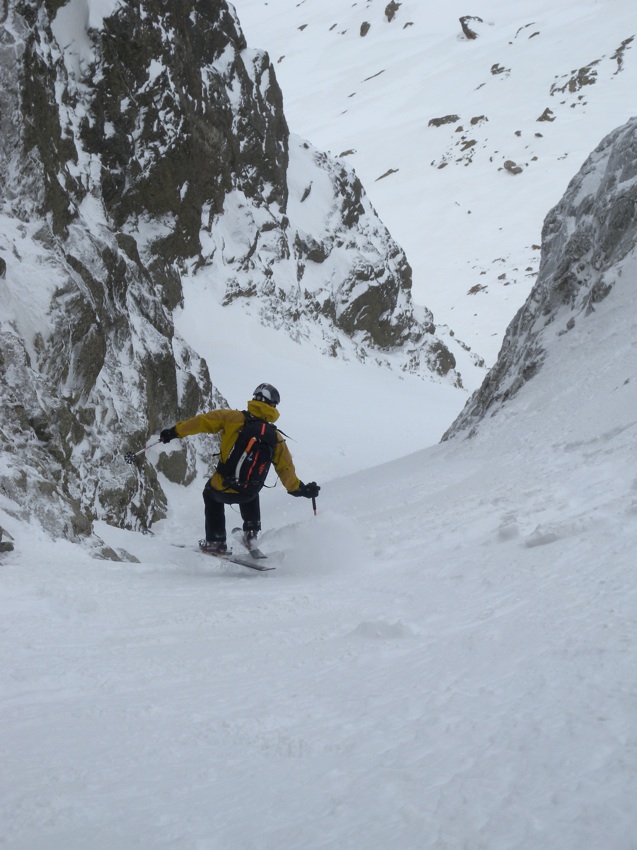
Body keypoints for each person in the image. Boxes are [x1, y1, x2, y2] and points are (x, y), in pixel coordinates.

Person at [160, 383, 320, 553]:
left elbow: (201, 422)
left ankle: (216, 541)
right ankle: (251, 534)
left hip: (221, 488)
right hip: (247, 494)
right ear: (272, 406)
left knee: (210, 493)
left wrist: (174, 432)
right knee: (252, 486)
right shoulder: (275, 437)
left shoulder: (231, 417)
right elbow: (286, 468)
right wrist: (302, 490)